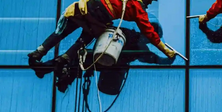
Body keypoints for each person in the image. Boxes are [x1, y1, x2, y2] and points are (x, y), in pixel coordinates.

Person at [27, 0, 176, 73]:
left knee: (62, 32)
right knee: (86, 38)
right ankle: (63, 59)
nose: (151, 2)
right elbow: (150, 33)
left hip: (84, 8)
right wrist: (166, 51)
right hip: (97, 18)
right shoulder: (139, 9)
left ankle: (38, 52)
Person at [31, 21, 174, 93]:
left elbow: (146, 56)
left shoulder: (131, 36)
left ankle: (50, 71)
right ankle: (50, 71)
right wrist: (165, 61)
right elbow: (148, 56)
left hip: (100, 58)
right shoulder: (137, 41)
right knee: (73, 62)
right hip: (101, 58)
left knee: (74, 62)